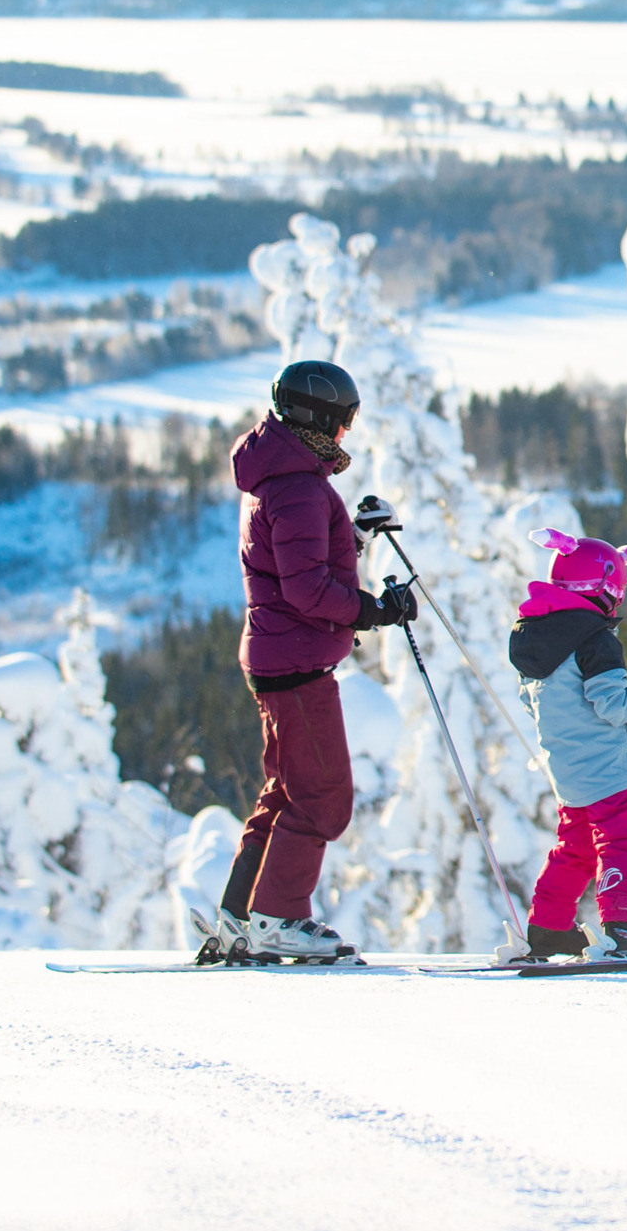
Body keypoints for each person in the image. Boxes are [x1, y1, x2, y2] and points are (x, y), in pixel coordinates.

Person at [215, 358, 416, 963]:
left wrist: (355, 534)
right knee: (325, 796)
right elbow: (308, 590)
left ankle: (242, 915)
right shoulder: (299, 485)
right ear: (319, 418)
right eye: (343, 422)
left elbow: (302, 564)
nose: (345, 433)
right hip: (298, 664)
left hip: (279, 657)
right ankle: (278, 918)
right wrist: (373, 610)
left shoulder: (283, 475)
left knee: (285, 791)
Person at [508, 527, 627, 960]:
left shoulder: (534, 636)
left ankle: (549, 927)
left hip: (566, 766)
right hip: (607, 766)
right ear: (607, 587)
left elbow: (531, 701)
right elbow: (611, 704)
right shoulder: (595, 641)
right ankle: (624, 922)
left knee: (574, 846)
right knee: (622, 840)